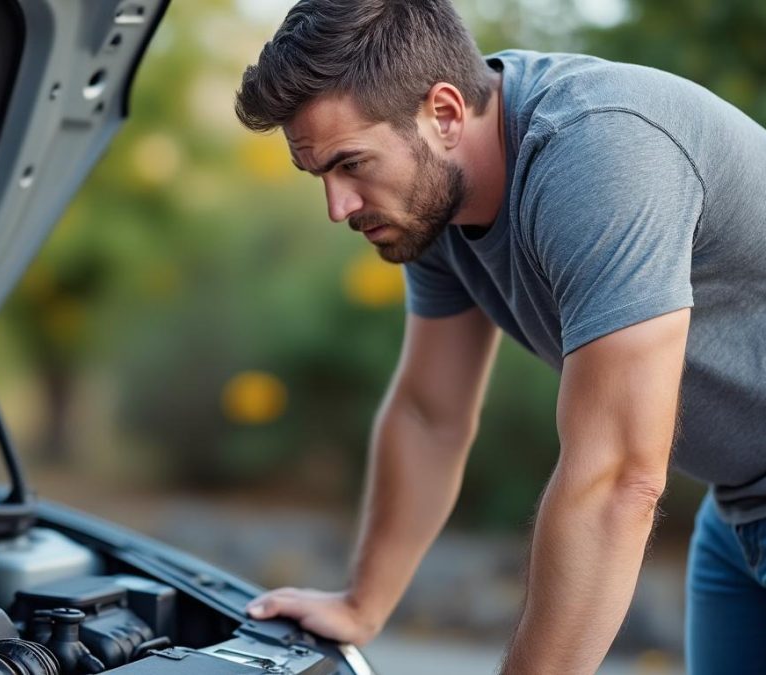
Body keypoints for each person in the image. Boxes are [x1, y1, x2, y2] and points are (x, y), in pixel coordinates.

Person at [233, 1, 766, 672]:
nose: (338, 207)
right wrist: (362, 605)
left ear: (445, 113)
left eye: (352, 164)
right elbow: (429, 414)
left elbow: (616, 481)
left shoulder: (599, 153)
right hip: (739, 509)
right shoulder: (432, 199)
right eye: (320, 176)